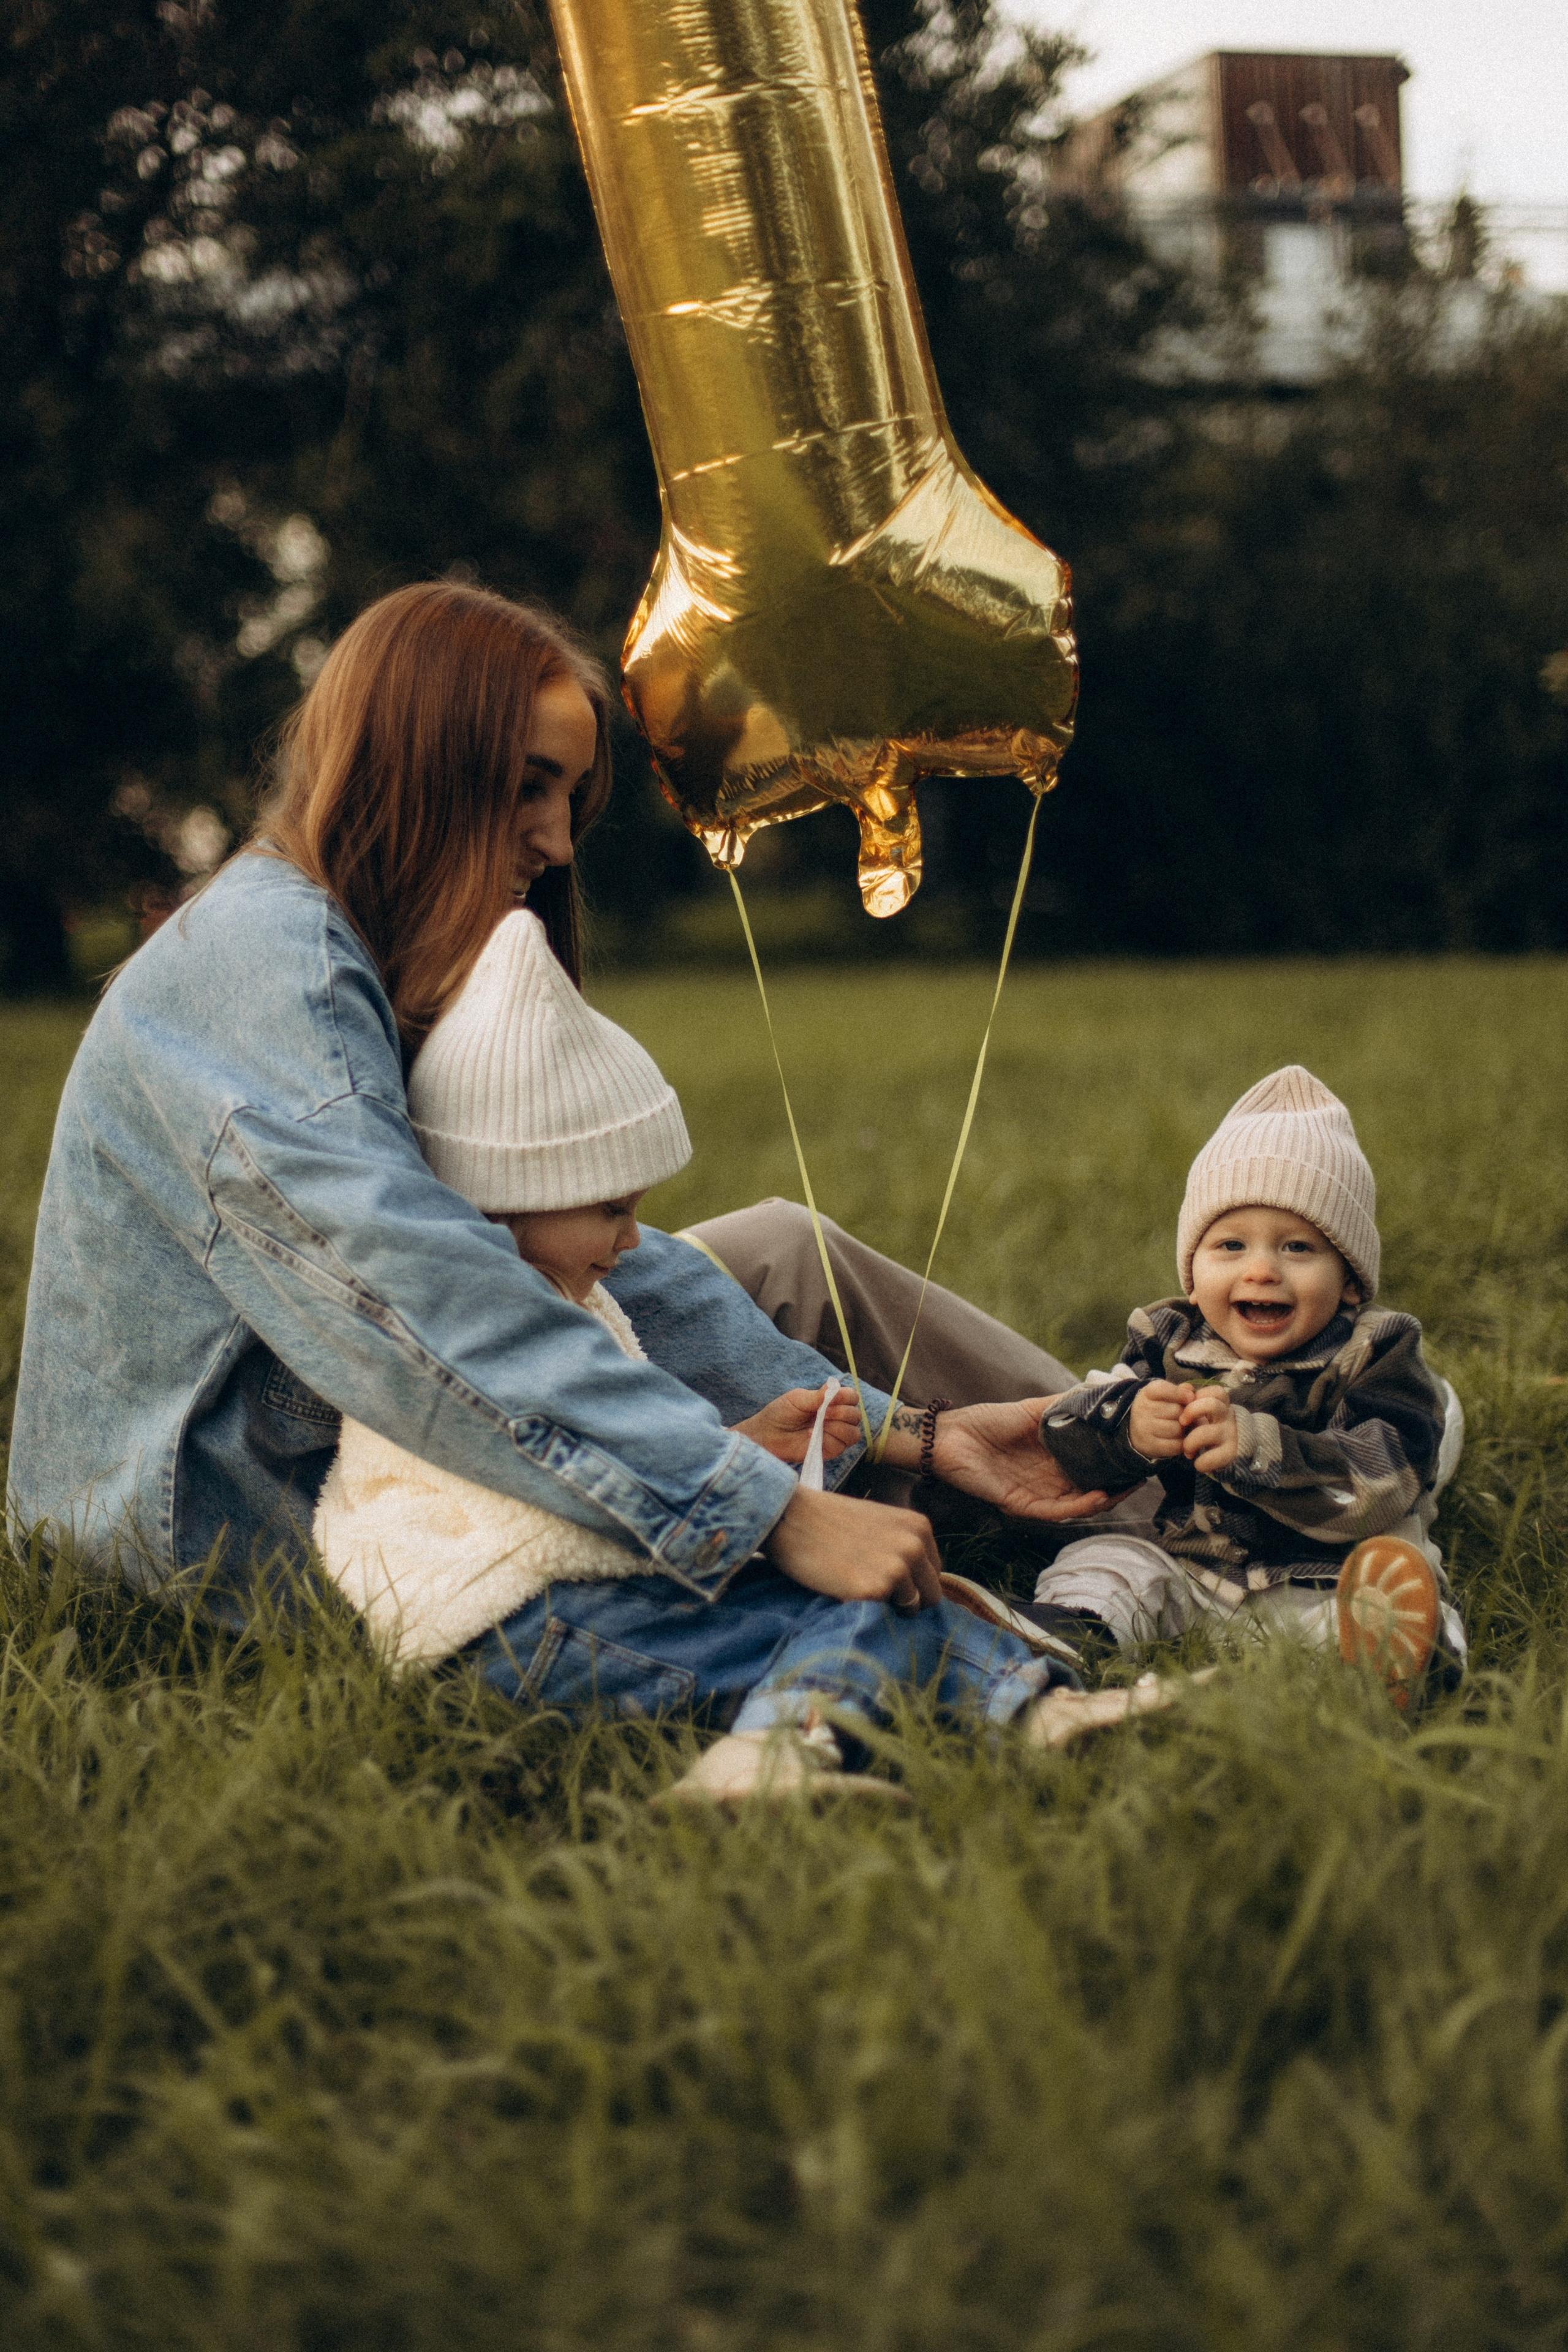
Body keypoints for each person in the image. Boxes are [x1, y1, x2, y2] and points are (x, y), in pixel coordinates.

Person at [9, 580, 1114, 1739]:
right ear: (416, 763)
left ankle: (1106, 1449)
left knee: (776, 1246)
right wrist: (755, 1508)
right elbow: (424, 1296)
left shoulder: (369, 950)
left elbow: (579, 1265)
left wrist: (914, 1432)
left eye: (569, 794)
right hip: (233, 1543)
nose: (552, 838)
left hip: (366, 1453)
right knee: (757, 1333)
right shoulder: (263, 966)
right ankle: (1154, 1506)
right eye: (528, 785)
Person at [314, 905, 1107, 1803]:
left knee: (865, 1600)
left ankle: (1039, 1709)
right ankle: (774, 1754)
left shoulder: (563, 1293)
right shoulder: (474, 1319)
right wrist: (760, 1504)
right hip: (515, 1626)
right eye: (611, 1210)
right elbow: (574, 1486)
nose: (632, 1238)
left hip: (565, 1610)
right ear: (504, 1201)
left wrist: (746, 1442)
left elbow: (617, 1454)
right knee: (842, 1608)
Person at [1018, 1067, 1465, 1708]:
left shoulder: (1375, 1350)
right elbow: (1070, 1439)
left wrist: (1257, 1448)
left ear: (1350, 1281)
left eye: (1298, 1248)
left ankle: (1397, 1657)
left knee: (1393, 1591)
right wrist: (1124, 1426)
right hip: (1195, 1577)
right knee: (1112, 1560)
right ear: (1193, 1275)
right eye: (1230, 1245)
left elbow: (1386, 1478)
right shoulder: (1166, 1338)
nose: (1261, 1269)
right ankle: (1067, 1629)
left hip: (1326, 1581)